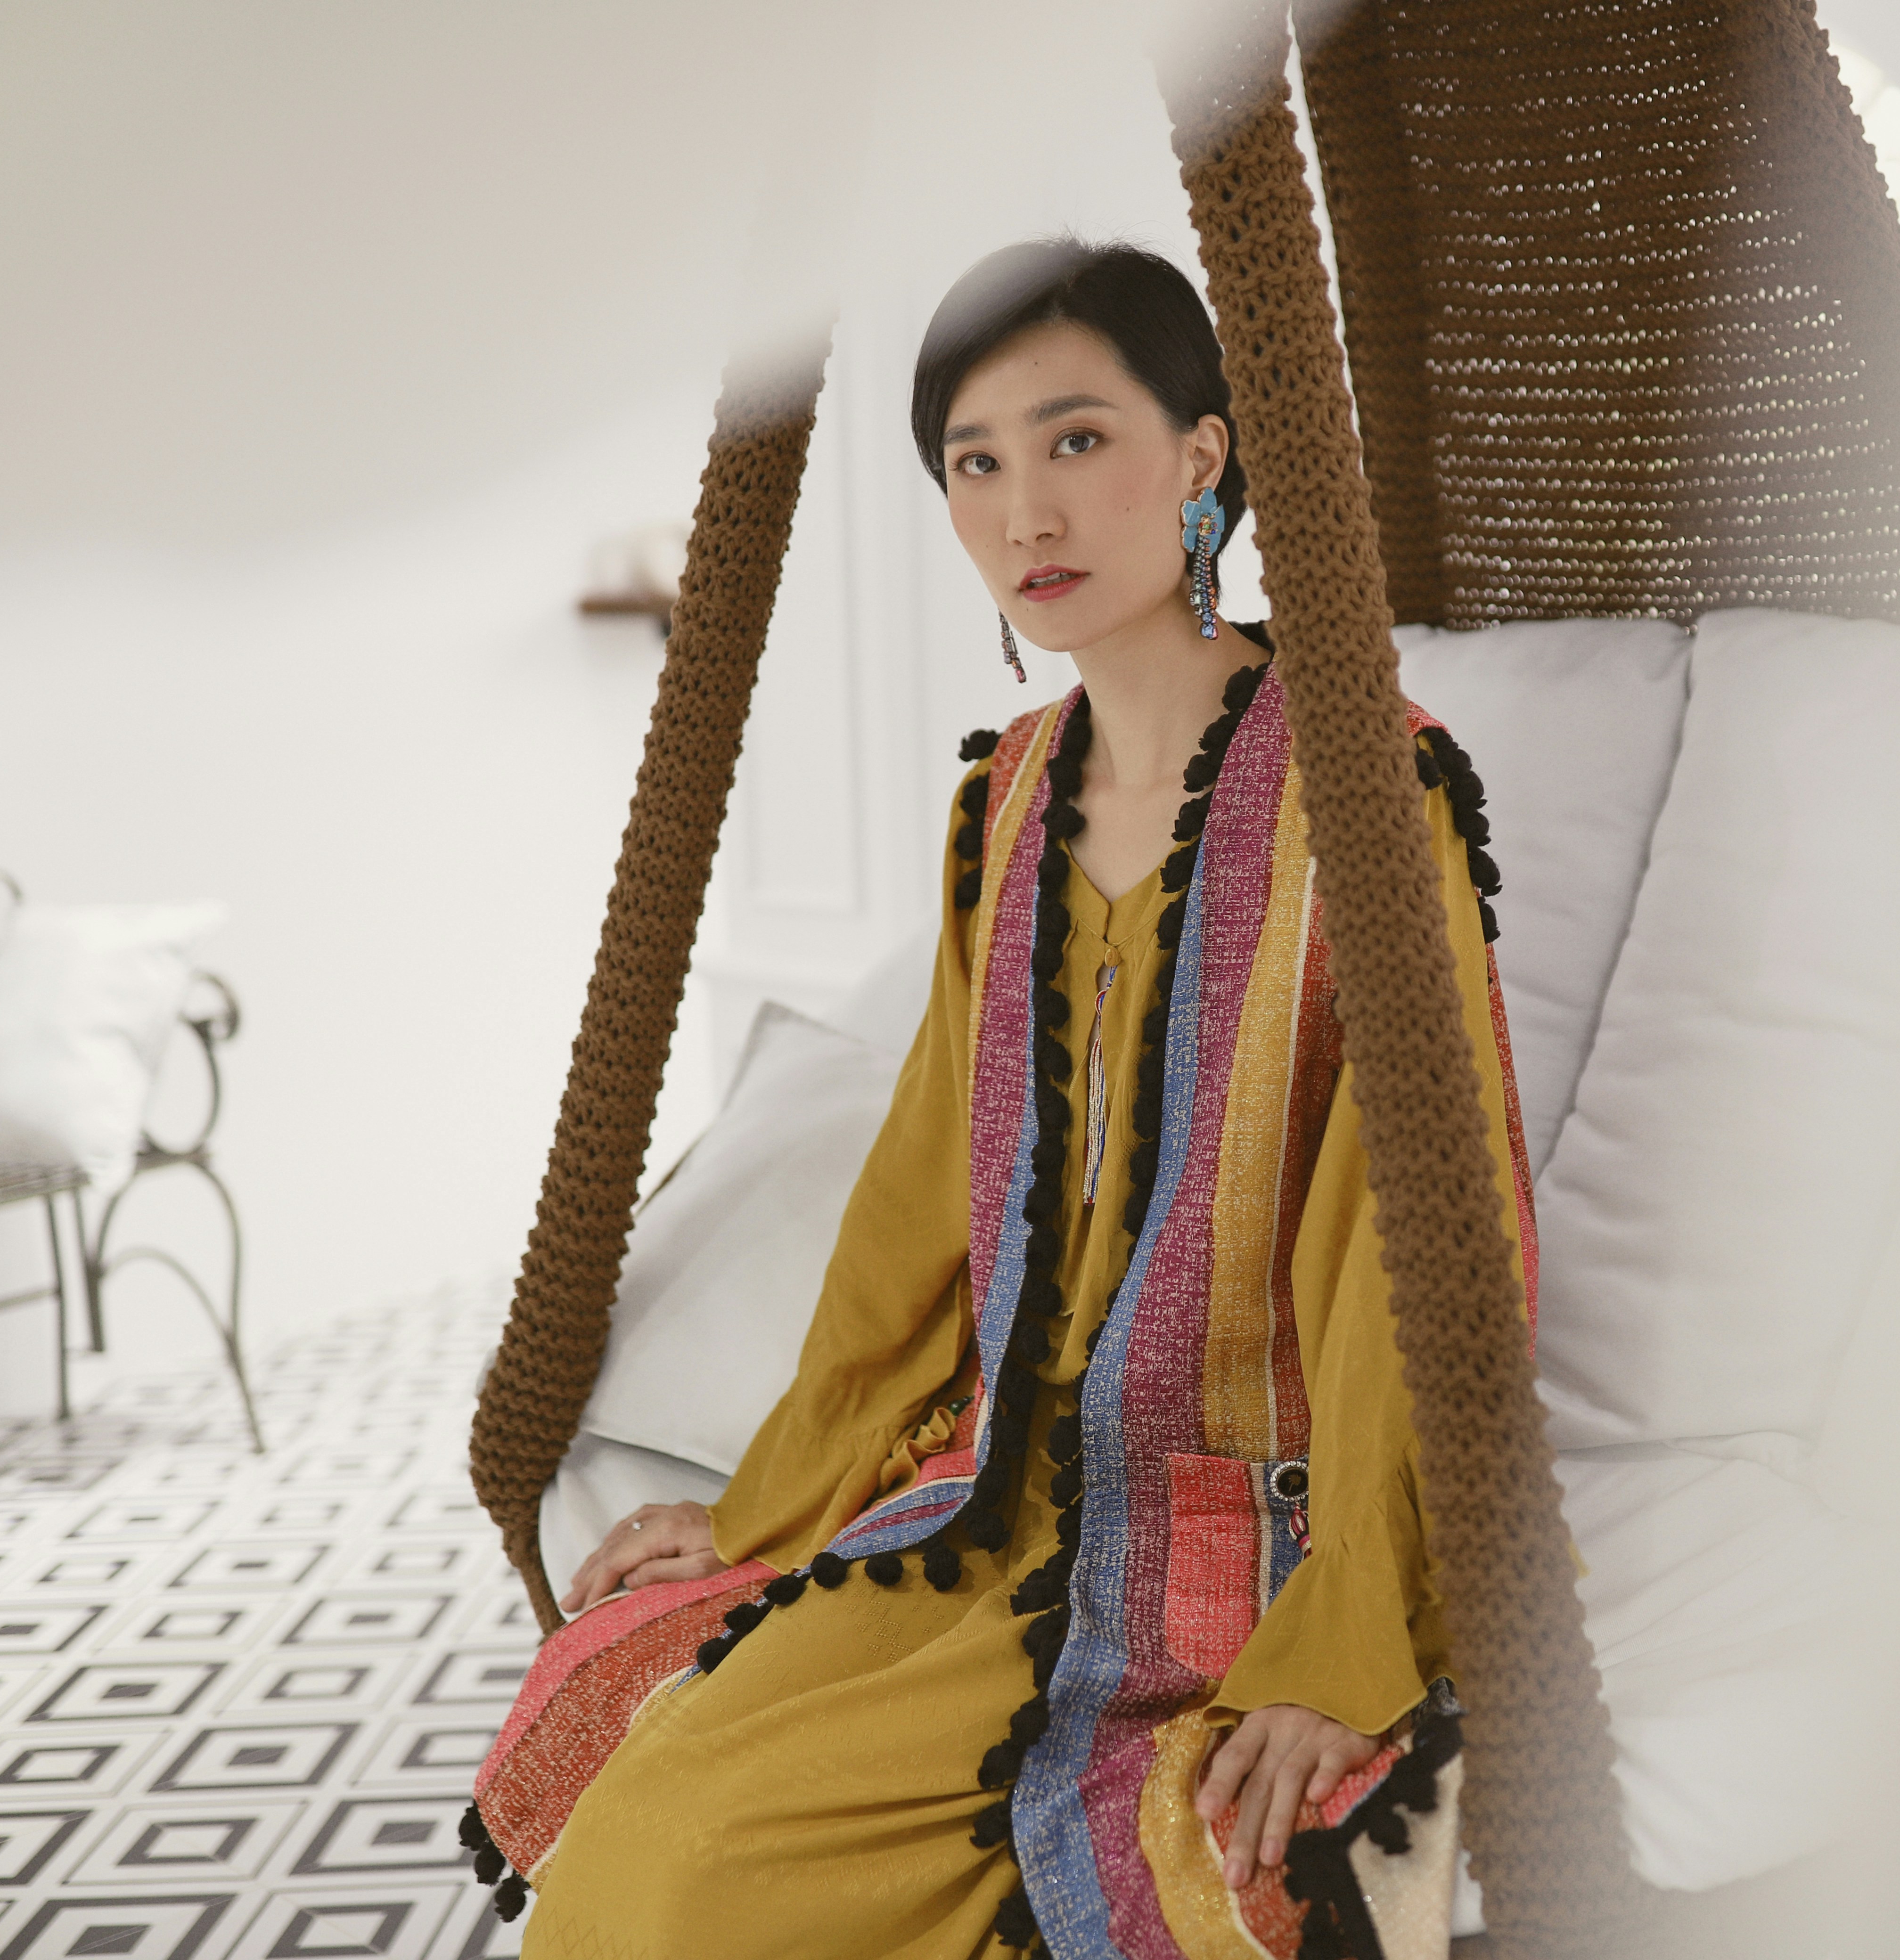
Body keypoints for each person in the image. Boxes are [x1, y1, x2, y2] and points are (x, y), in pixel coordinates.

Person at [467, 237, 1533, 1960]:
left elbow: (1407, 1226)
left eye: (1077, 441)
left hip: (1246, 1532)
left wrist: (1350, 1630)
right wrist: (762, 1510)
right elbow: (918, 1204)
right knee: (659, 1821)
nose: (1025, 509)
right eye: (975, 461)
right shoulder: (1006, 804)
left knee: (774, 1872)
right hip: (991, 1500)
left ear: (1203, 456)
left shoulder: (1370, 780)